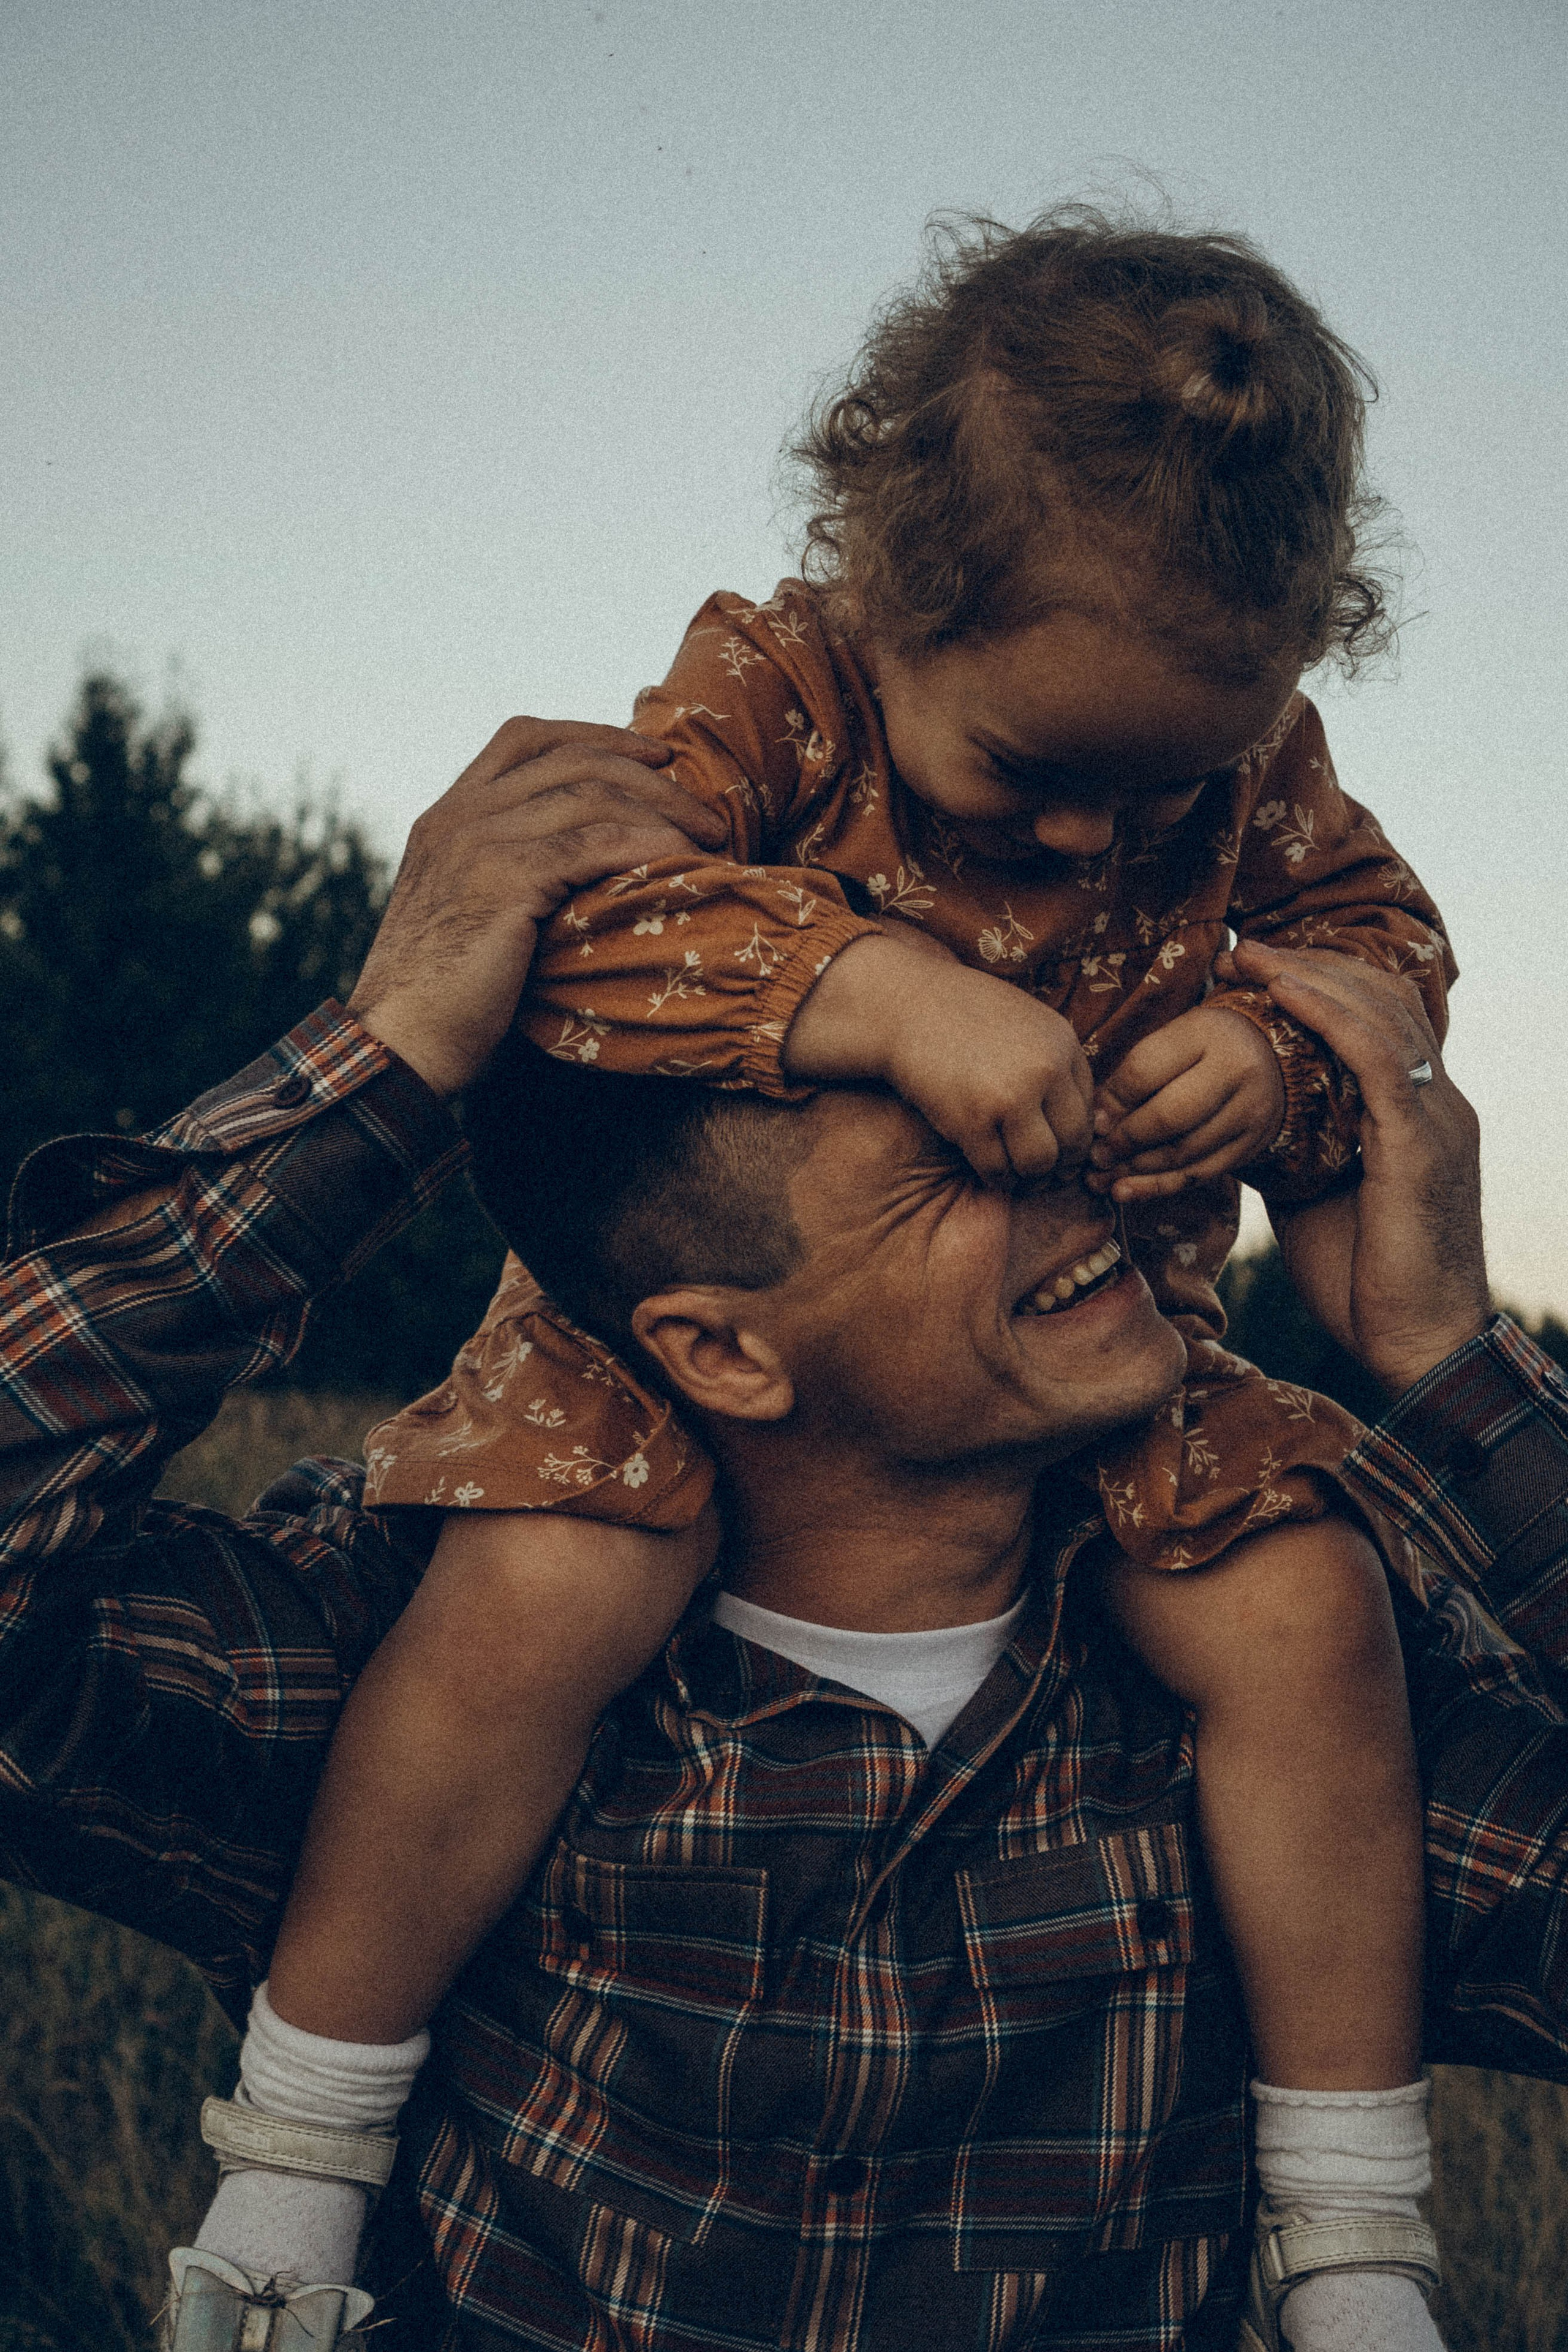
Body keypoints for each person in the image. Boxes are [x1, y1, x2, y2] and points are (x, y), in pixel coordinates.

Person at [246, 211, 1457, 2340]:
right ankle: (293, 2170)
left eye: (1164, 788)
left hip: (1118, 1324)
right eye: (1037, 775)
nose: (1101, 844)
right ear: (894, 600)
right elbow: (581, 920)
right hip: (686, 1323)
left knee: (1302, 1601)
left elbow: (1386, 953)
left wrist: (1276, 1054)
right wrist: (867, 985)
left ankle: (1354, 2243)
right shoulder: (780, 688)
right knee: (547, 1588)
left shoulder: (1253, 761)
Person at [0, 731, 1564, 2352]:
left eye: (1061, 1086)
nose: (1090, 1166)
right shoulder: (423, 1663)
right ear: (723, 1350)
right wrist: (380, 1066)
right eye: (970, 1163)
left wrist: (1455, 1369)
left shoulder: (1290, 1699)